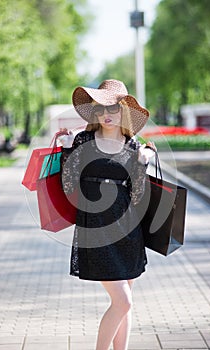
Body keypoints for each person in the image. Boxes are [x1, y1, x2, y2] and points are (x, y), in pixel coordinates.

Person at [59, 79, 156, 350]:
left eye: (112, 109)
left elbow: (138, 195)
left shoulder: (133, 145)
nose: (106, 115)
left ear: (123, 110)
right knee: (123, 301)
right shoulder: (83, 140)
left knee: (124, 304)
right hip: (97, 228)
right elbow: (69, 186)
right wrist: (67, 149)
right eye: (100, 109)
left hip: (128, 230)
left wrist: (142, 164)